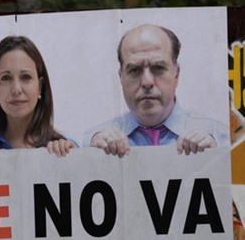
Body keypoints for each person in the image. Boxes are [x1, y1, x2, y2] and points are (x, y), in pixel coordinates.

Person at [84, 23, 229, 157]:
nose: (147, 82)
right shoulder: (91, 144)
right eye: (134, 70)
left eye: (158, 68)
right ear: (121, 78)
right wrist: (91, 161)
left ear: (176, 74)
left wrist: (218, 162)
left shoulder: (222, 139)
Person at [0, 35, 76, 162]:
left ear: (40, 86)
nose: (16, 89)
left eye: (25, 77)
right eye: (6, 78)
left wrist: (75, 159)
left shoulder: (67, 147)